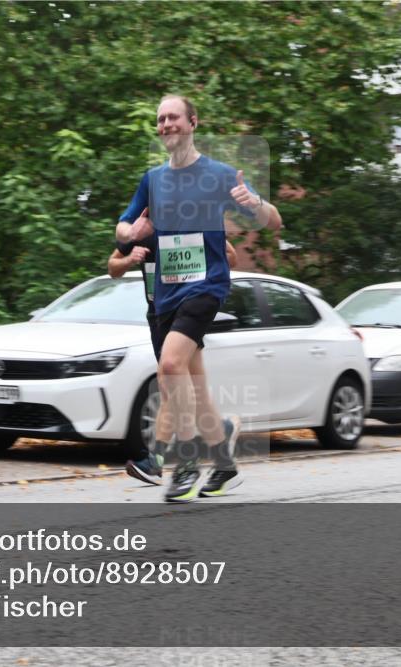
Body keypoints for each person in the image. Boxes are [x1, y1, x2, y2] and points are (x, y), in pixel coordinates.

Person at [116, 94, 281, 502]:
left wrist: (253, 203)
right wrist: (129, 235)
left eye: (174, 117)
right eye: (160, 119)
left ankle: (184, 462)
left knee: (170, 366)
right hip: (166, 294)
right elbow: (122, 228)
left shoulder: (220, 175)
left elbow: (273, 220)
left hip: (206, 286)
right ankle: (223, 464)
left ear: (193, 122)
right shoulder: (152, 180)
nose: (166, 124)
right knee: (192, 382)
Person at [107, 237, 238, 485]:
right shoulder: (140, 227)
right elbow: (113, 266)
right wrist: (129, 259)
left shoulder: (184, 221)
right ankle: (222, 446)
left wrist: (200, 276)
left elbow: (230, 256)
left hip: (186, 308)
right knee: (190, 386)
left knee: (169, 381)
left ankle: (157, 460)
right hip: (158, 313)